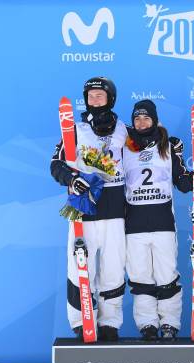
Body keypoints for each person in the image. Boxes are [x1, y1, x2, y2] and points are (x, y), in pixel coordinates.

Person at [123, 99, 194, 340]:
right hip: (135, 224)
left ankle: (169, 324)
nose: (141, 122)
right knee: (140, 278)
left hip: (162, 223)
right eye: (137, 118)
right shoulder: (124, 148)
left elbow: (181, 182)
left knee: (166, 276)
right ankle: (147, 325)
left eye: (146, 118)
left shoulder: (168, 147)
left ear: (154, 120)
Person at [50, 77, 127, 341]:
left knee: (114, 270)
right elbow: (56, 165)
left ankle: (110, 323)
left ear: (111, 99)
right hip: (84, 210)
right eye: (91, 96)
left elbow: (143, 158)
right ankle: (82, 322)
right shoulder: (75, 129)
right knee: (80, 268)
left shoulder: (124, 132)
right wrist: (72, 179)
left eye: (100, 96)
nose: (95, 100)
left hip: (116, 210)